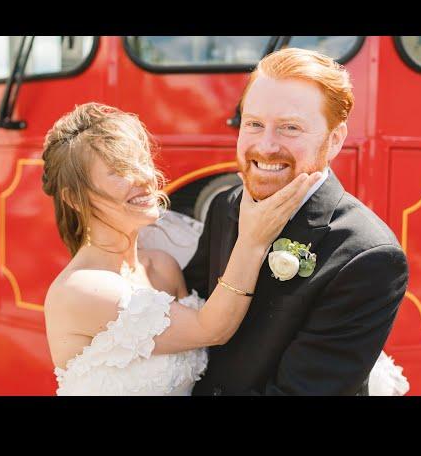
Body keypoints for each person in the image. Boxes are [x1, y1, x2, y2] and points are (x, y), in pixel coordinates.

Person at [42, 102, 322, 395]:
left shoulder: (163, 266)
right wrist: (254, 239)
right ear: (74, 198)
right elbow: (211, 330)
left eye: (141, 161)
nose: (145, 177)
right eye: (119, 170)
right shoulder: (81, 290)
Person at [183, 48, 410, 396]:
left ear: (334, 139)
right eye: (254, 124)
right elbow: (193, 312)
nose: (266, 145)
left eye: (290, 128)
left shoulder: (369, 255)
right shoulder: (226, 206)